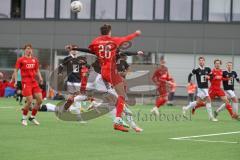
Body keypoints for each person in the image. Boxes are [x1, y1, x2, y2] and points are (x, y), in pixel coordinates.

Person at [88, 24, 141, 132]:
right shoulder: (113, 41)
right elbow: (126, 39)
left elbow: (91, 49)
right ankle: (117, 120)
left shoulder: (96, 41)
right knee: (121, 96)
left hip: (103, 72)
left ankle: (121, 119)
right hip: (111, 71)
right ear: (109, 32)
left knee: (116, 98)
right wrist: (136, 34)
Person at [13, 44, 43, 126]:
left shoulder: (34, 60)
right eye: (27, 49)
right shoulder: (21, 60)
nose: (29, 50)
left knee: (40, 100)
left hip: (34, 82)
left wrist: (40, 78)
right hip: (26, 83)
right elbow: (15, 70)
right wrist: (15, 81)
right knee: (29, 101)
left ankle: (32, 117)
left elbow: (37, 70)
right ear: (25, 50)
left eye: (30, 49)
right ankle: (24, 118)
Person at [182, 56, 217, 121]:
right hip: (201, 88)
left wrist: (209, 77)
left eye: (202, 60)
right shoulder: (196, 69)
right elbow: (189, 75)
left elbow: (212, 76)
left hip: (206, 88)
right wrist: (188, 82)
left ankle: (185, 108)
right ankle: (211, 117)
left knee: (198, 102)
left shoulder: (208, 69)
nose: (201, 62)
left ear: (204, 61)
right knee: (208, 100)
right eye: (200, 60)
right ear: (198, 61)